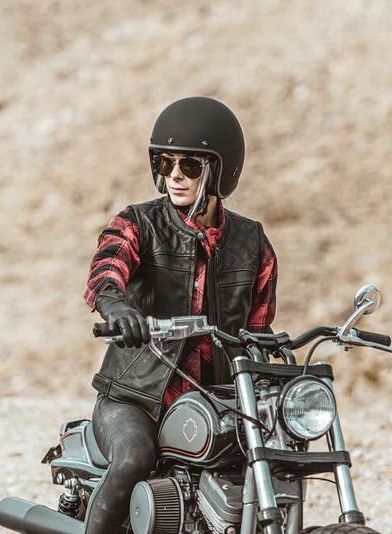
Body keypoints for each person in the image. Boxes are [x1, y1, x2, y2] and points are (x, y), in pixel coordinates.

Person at [80, 96, 278, 534]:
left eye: (189, 165)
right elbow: (107, 268)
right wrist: (115, 305)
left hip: (216, 400)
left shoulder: (253, 243)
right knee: (134, 458)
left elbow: (258, 331)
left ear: (220, 171)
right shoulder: (139, 223)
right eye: (165, 163)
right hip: (136, 398)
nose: (174, 175)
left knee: (270, 457)